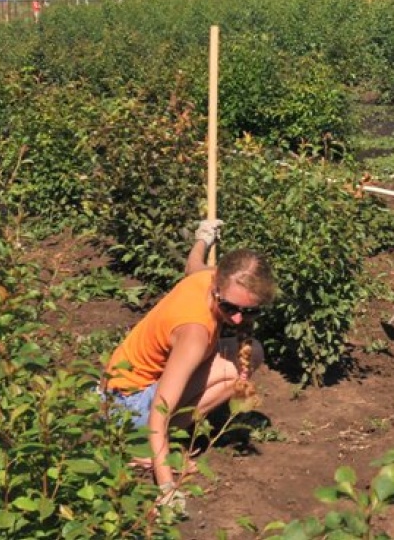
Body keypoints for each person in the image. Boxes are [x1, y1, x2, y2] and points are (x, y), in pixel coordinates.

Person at [103, 219, 275, 510]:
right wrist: (167, 487)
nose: (236, 318)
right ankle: (144, 446)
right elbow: (160, 411)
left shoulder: (208, 278)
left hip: (119, 394)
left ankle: (155, 442)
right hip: (126, 409)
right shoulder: (194, 333)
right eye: (229, 307)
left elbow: (192, 265)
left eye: (249, 312)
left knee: (252, 351)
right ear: (218, 285)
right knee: (232, 373)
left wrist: (203, 238)